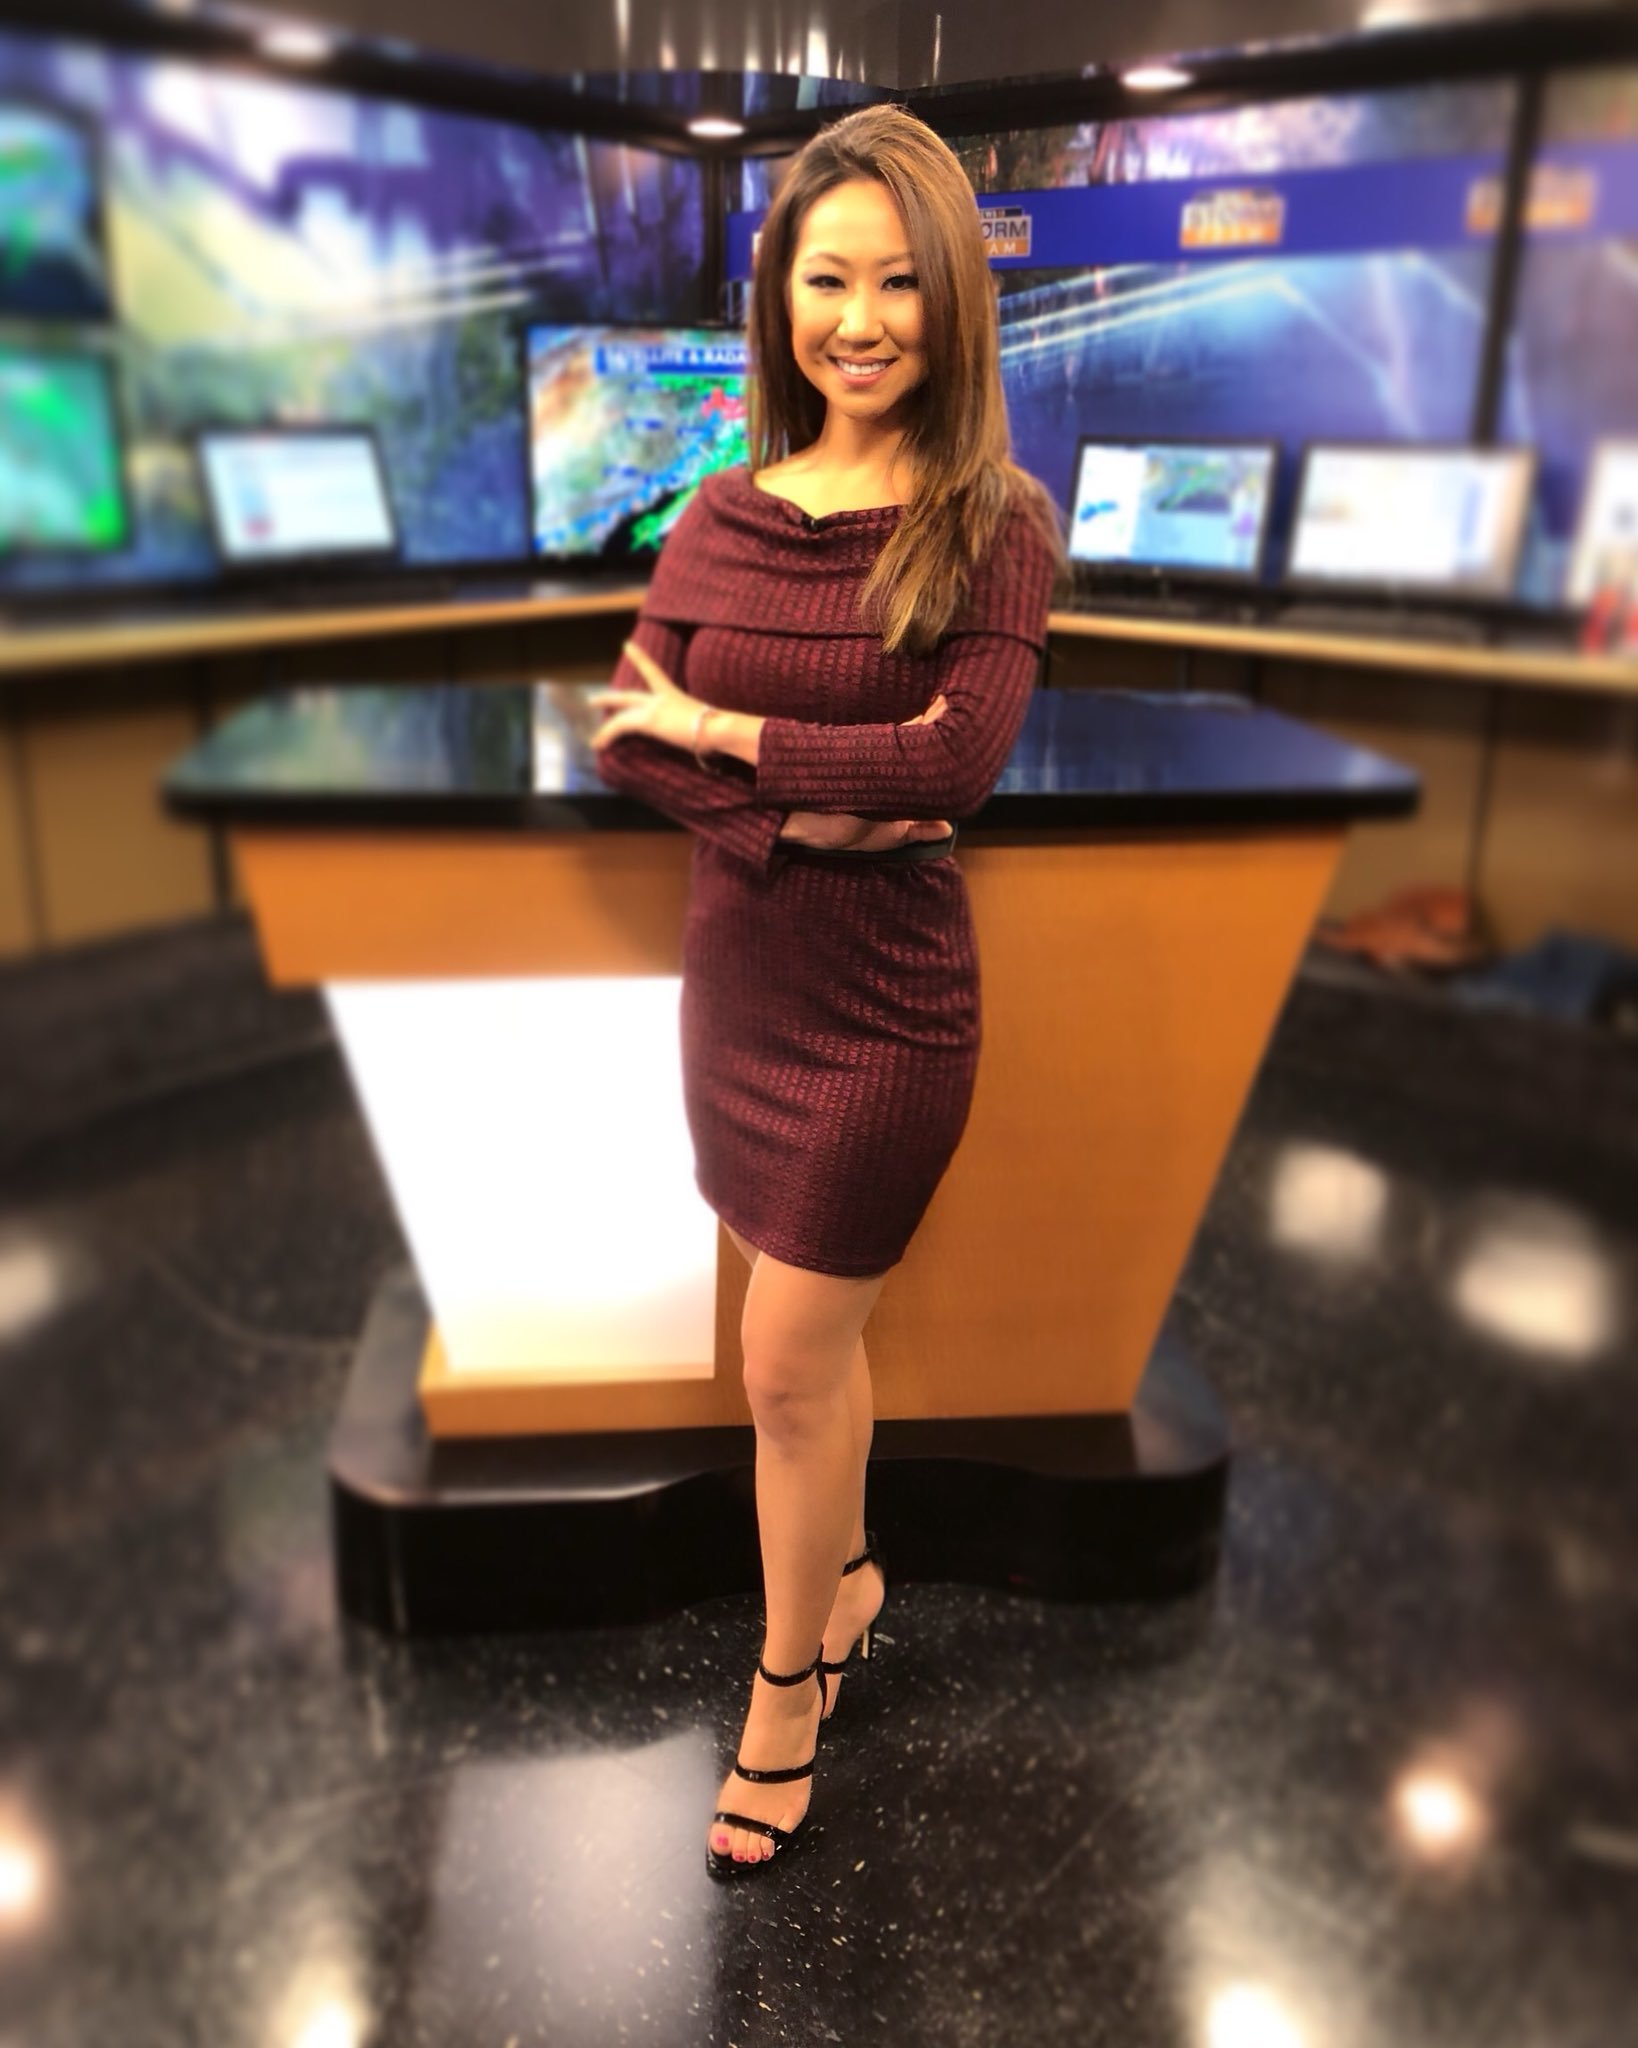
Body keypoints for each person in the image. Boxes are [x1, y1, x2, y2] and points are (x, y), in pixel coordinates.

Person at [587, 103, 1064, 1879]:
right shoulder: (719, 511)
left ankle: (787, 1684)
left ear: (952, 302)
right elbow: (627, 730)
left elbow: (956, 761)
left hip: (885, 1011)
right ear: (778, 296)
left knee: (780, 1359)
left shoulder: (991, 519)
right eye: (824, 279)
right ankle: (846, 1575)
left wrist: (727, 731)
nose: (857, 321)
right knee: (817, 1361)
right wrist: (794, 805)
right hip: (740, 984)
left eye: (897, 283)